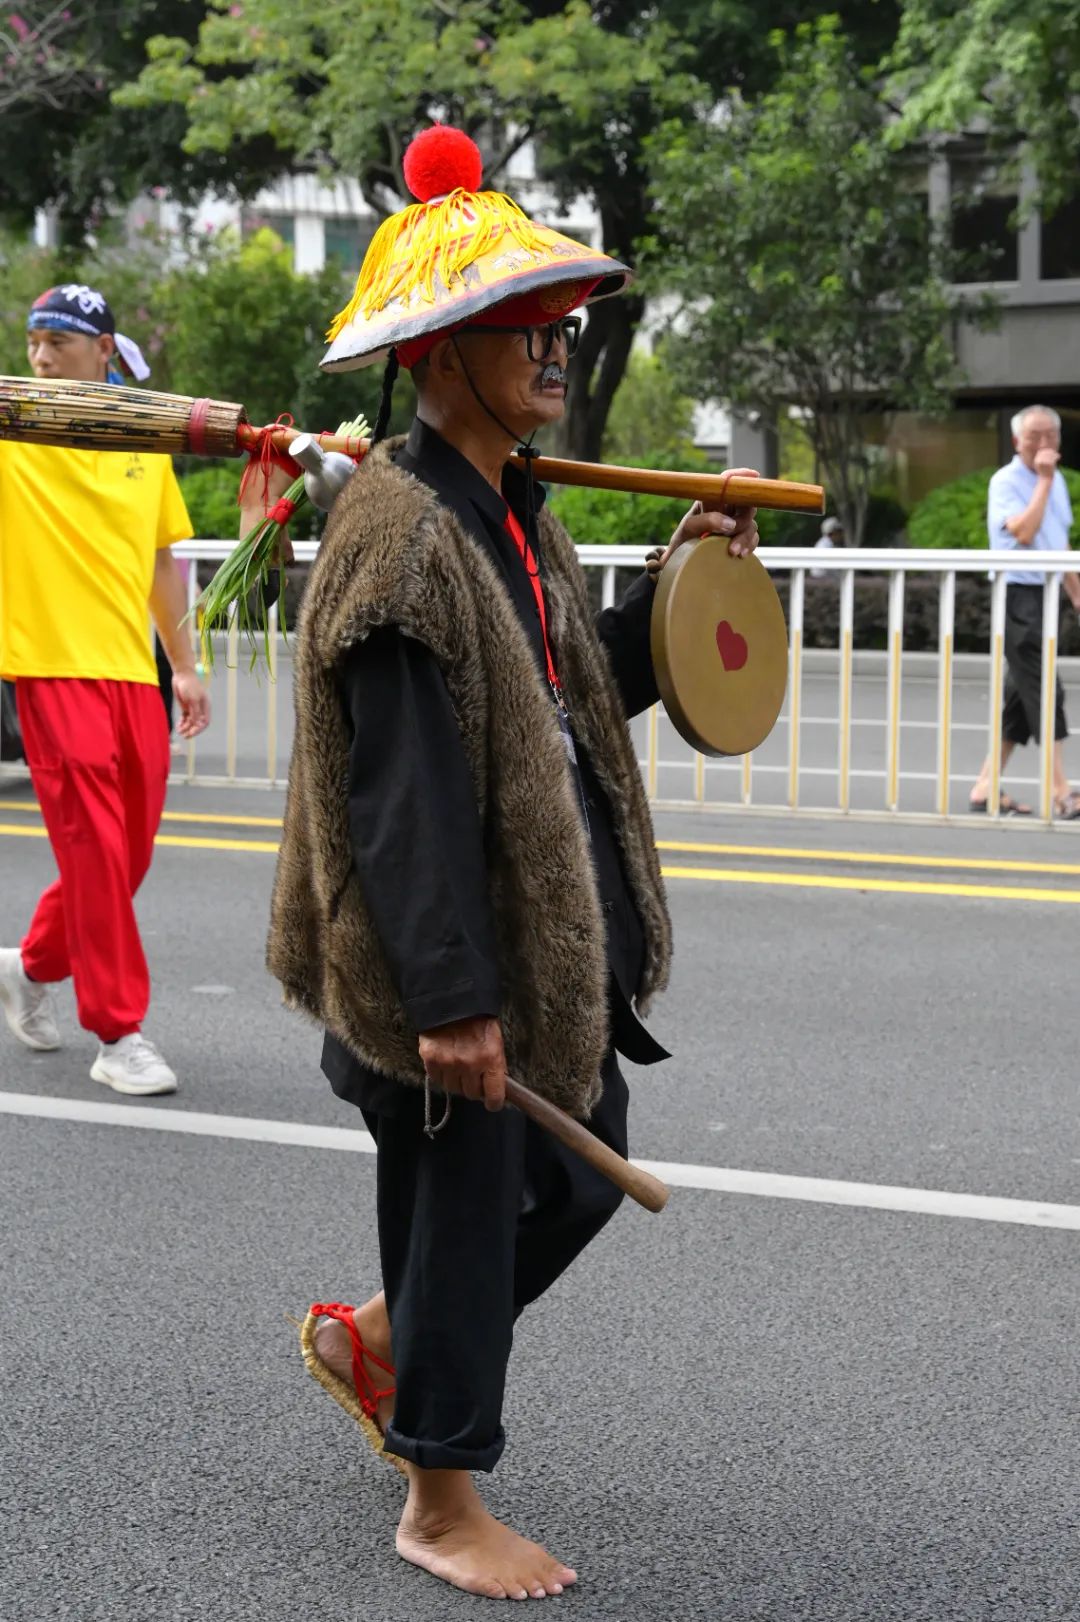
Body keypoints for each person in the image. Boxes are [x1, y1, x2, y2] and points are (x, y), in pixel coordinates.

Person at [260, 126, 760, 1603]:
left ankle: (389, 1340)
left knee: (575, 1171)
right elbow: (403, 796)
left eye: (559, 323)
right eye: (519, 327)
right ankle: (440, 1496)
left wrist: (683, 583)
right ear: (438, 354)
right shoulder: (401, 535)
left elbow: (565, 697)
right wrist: (451, 1002)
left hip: (518, 957)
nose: (556, 346)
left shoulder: (511, 511)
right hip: (444, 960)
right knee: (466, 1209)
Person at [0, 284, 211, 1092]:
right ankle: (117, 1033)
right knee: (91, 844)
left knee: (124, 856)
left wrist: (184, 665)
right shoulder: (14, 429)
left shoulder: (142, 439)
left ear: (105, 350)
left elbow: (161, 561)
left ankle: (32, 965)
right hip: (49, 661)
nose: (42, 356)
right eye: (32, 342)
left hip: (130, 669)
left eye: (58, 341)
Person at [969, 404, 1080, 817]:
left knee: (1021, 695)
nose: (1044, 443)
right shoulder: (1007, 481)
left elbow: (1058, 541)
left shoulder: (1060, 483)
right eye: (1034, 435)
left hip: (1048, 596)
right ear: (1017, 441)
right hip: (1018, 595)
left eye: (1051, 435)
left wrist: (1076, 593)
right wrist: (1045, 482)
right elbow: (1025, 531)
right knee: (1045, 691)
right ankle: (1061, 791)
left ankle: (985, 788)